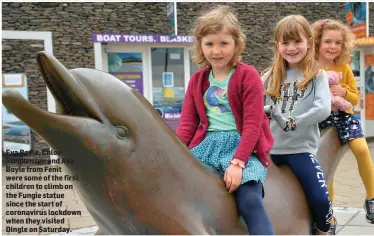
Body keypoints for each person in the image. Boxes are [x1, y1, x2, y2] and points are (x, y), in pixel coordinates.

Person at [176, 5, 275, 235]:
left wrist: (238, 163)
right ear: (201, 45)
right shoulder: (197, 80)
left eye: (223, 43)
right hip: (205, 147)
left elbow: (253, 125)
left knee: (249, 200)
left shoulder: (247, 75)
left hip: (242, 148)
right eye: (209, 43)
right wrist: (176, 153)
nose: (216, 51)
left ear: (236, 44)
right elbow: (188, 125)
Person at [262, 15, 332, 235]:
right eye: (285, 43)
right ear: (277, 46)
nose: (291, 48)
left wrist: (292, 123)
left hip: (300, 150)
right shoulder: (268, 77)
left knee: (321, 200)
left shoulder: (316, 75)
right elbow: (256, 111)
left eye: (297, 42)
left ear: (309, 43)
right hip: (268, 151)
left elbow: (323, 109)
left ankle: (323, 229)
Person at [312, 19, 374, 234]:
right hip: (319, 121)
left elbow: (356, 99)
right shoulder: (309, 66)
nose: (333, 46)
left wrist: (344, 92)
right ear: (317, 42)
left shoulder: (344, 66)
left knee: (362, 149)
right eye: (328, 41)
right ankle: (329, 214)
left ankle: (371, 198)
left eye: (338, 42)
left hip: (343, 117)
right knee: (325, 167)